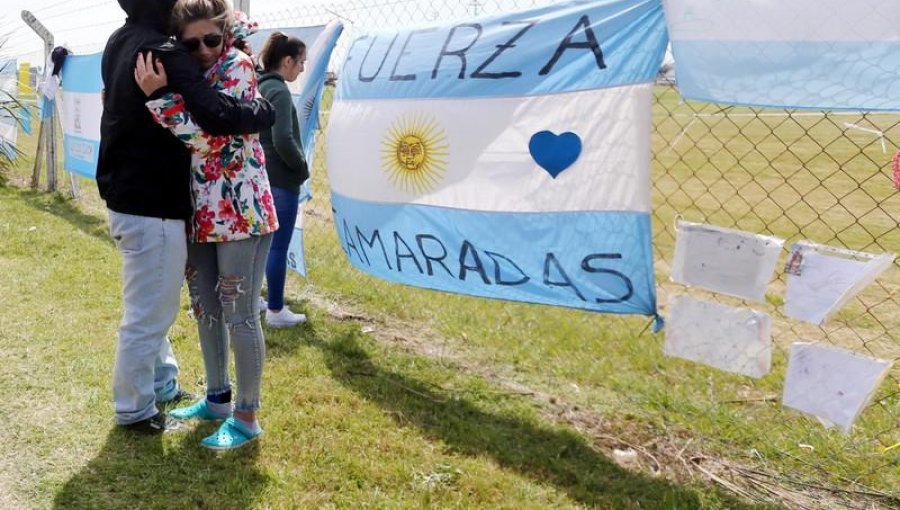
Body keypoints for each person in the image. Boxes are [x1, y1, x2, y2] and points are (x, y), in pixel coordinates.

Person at [98, 0, 275, 435]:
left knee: (239, 313)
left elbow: (217, 142)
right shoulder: (184, 68)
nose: (202, 50)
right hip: (199, 211)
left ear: (226, 34)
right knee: (206, 310)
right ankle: (217, 402)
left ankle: (247, 416)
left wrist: (161, 100)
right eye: (191, 43)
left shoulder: (235, 66)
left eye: (211, 40)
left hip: (239, 212)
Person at [257, 32, 310, 328]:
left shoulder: (261, 85)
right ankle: (276, 310)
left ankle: (257, 300)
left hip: (265, 177)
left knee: (263, 246)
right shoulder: (277, 90)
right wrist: (301, 168)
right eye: (300, 62)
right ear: (286, 60)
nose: (302, 68)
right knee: (278, 247)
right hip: (280, 180)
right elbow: (283, 139)